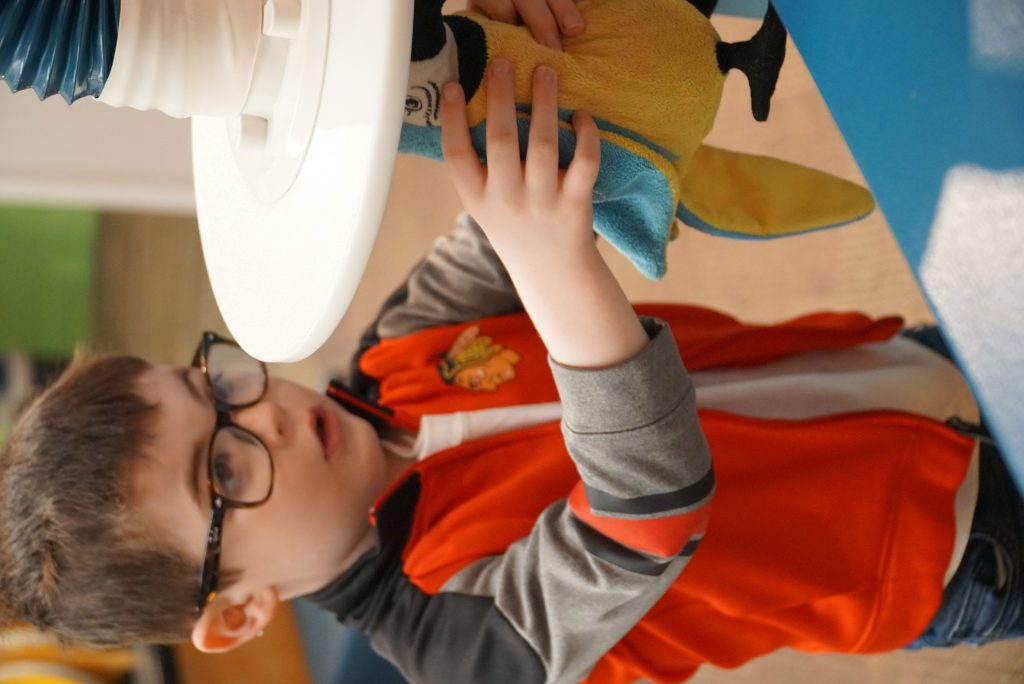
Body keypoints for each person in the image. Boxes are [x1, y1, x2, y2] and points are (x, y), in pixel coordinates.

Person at [2, 18, 1022, 684]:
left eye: (213, 387)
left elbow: (519, 185)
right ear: (238, 612)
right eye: (225, 469)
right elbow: (649, 510)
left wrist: (510, 51)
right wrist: (556, 266)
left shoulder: (397, 352)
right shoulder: (461, 644)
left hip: (903, 369)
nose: (262, 412)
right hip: (947, 551)